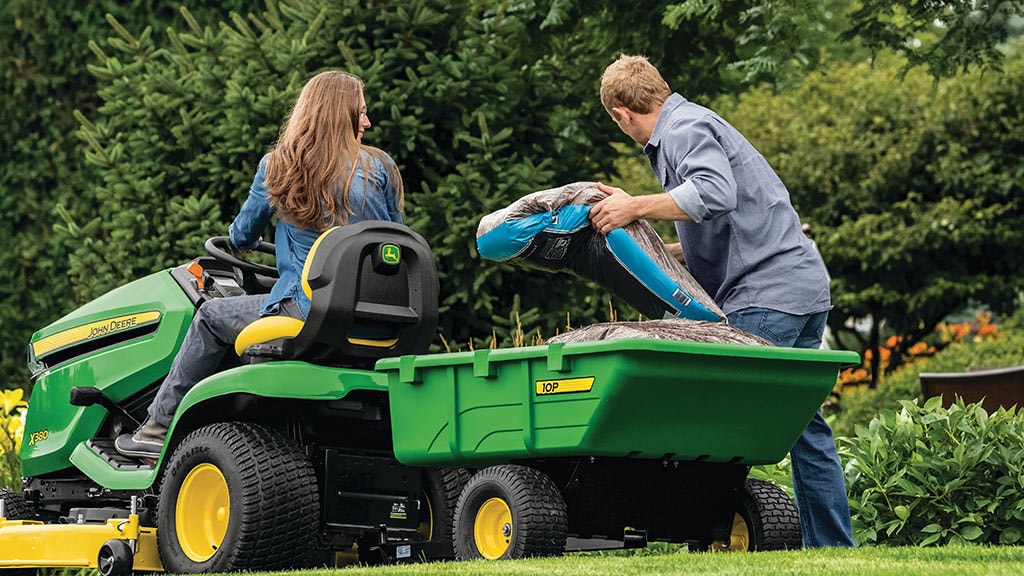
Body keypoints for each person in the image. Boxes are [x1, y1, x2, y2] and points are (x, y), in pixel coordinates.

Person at [589, 54, 854, 548]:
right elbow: (722, 220)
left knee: (721, 420)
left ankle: (707, 540)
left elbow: (713, 193)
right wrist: (660, 250)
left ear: (621, 115)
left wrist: (634, 205)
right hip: (802, 290)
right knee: (805, 428)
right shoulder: (693, 122)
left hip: (765, 296)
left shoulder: (684, 130)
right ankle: (833, 548)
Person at [115, 71, 404, 459]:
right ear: (340, 115)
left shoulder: (281, 164)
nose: (367, 123)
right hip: (374, 317)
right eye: (361, 114)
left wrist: (243, 241)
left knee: (211, 317)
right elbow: (394, 241)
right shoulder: (381, 169)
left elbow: (242, 235)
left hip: (308, 309)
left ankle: (157, 426)